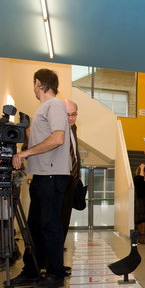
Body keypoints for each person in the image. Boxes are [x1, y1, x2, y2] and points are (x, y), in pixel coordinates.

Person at [10, 68, 71, 288]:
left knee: (50, 227)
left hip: (52, 176)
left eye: (33, 84)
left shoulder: (54, 105)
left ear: (38, 83)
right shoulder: (43, 108)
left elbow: (57, 138)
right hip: (42, 176)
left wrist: (25, 153)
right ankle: (31, 271)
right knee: (35, 227)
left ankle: (55, 274)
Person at [62, 99, 81, 245]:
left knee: (64, 221)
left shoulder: (73, 128)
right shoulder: (56, 129)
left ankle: (56, 262)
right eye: (67, 115)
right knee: (55, 223)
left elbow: (74, 154)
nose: (71, 118)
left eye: (73, 114)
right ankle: (49, 262)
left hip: (71, 182)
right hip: (59, 181)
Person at [133, 163, 145, 244]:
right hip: (141, 201)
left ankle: (142, 238)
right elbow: (139, 183)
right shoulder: (137, 178)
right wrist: (141, 169)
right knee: (142, 220)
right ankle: (142, 238)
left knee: (144, 220)